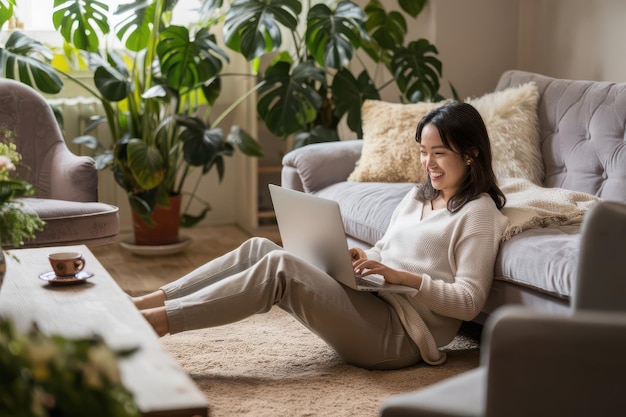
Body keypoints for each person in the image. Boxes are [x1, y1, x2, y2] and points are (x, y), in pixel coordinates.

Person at [132, 101, 508, 370]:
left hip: (402, 336)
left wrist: (403, 278)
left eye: (439, 153)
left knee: (280, 267)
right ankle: (143, 303)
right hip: (375, 300)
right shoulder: (418, 195)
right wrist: (364, 257)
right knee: (259, 246)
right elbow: (386, 247)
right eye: (424, 152)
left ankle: (156, 323)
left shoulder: (479, 214)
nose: (428, 164)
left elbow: (470, 302)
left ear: (471, 153)